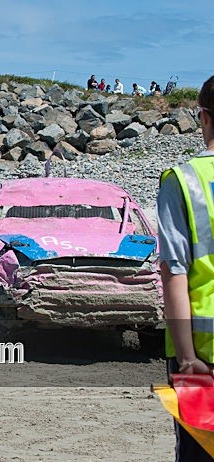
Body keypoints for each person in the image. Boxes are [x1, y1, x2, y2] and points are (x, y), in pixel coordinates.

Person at [156, 74, 214, 462]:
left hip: (202, 355)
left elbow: (174, 273)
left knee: (198, 452)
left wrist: (187, 358)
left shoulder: (184, 180)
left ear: (204, 117)